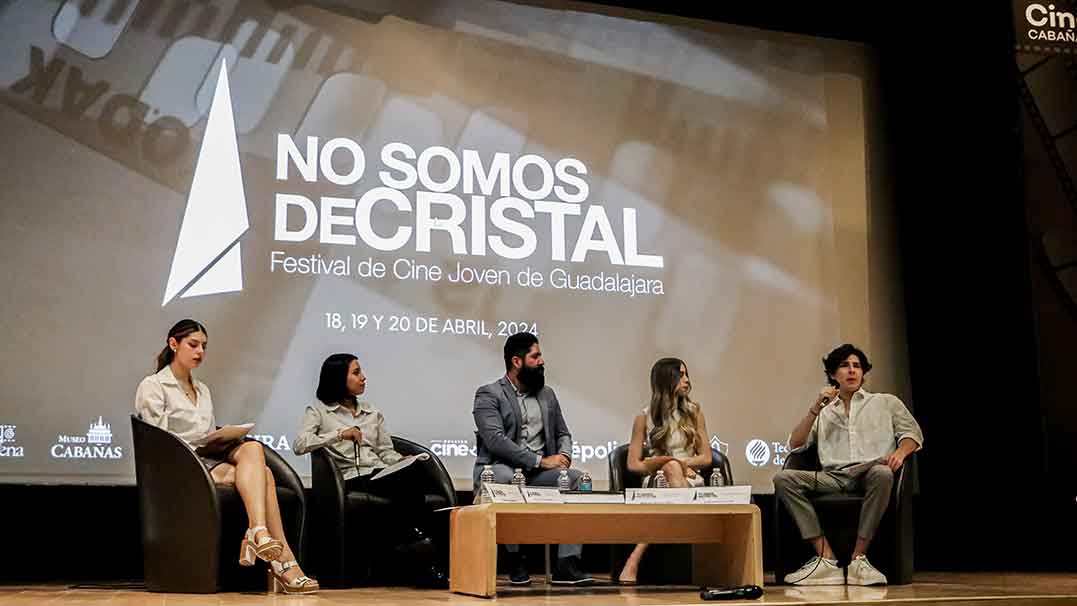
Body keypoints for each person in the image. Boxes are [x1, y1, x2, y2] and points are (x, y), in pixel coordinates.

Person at [134, 319, 317, 595]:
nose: (200, 352)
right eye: (193, 345)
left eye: (204, 347)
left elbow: (206, 430)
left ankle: (258, 531)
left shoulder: (203, 389)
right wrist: (197, 446)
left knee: (254, 451)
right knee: (264, 476)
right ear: (174, 344)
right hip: (180, 468)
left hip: (208, 461)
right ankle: (283, 563)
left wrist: (219, 438)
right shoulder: (153, 386)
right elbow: (158, 442)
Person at [293, 353, 447, 588]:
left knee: (415, 473)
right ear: (337, 378)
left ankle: (417, 543)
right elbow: (300, 444)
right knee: (411, 492)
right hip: (352, 478)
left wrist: (401, 460)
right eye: (356, 373)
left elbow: (385, 451)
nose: (363, 378)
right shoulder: (320, 411)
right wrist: (339, 434)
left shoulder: (371, 412)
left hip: (380, 474)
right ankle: (420, 547)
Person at [773, 344, 923, 586]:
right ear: (833, 375)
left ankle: (858, 559)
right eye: (845, 366)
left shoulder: (885, 402)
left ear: (863, 373)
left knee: (883, 473)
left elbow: (912, 434)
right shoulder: (825, 411)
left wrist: (901, 452)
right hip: (834, 476)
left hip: (871, 472)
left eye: (857, 366)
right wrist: (816, 408)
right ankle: (825, 557)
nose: (852, 371)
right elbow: (796, 444)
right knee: (782, 479)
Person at [472, 332, 593, 586]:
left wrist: (564, 455)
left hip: (541, 474)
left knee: (578, 479)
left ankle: (566, 564)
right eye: (535, 356)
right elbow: (496, 441)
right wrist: (540, 461)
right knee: (505, 479)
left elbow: (563, 433)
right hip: (501, 468)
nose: (541, 361)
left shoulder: (547, 394)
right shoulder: (488, 394)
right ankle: (516, 559)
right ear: (517, 361)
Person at [618, 358, 713, 585]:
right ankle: (686, 526)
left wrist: (683, 465)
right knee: (670, 468)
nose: (687, 380)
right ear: (665, 379)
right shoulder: (644, 417)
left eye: (686, 374)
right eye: (681, 375)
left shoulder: (694, 412)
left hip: (690, 480)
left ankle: (635, 557)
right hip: (656, 480)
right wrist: (670, 463)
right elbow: (633, 464)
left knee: (673, 471)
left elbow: (706, 457)